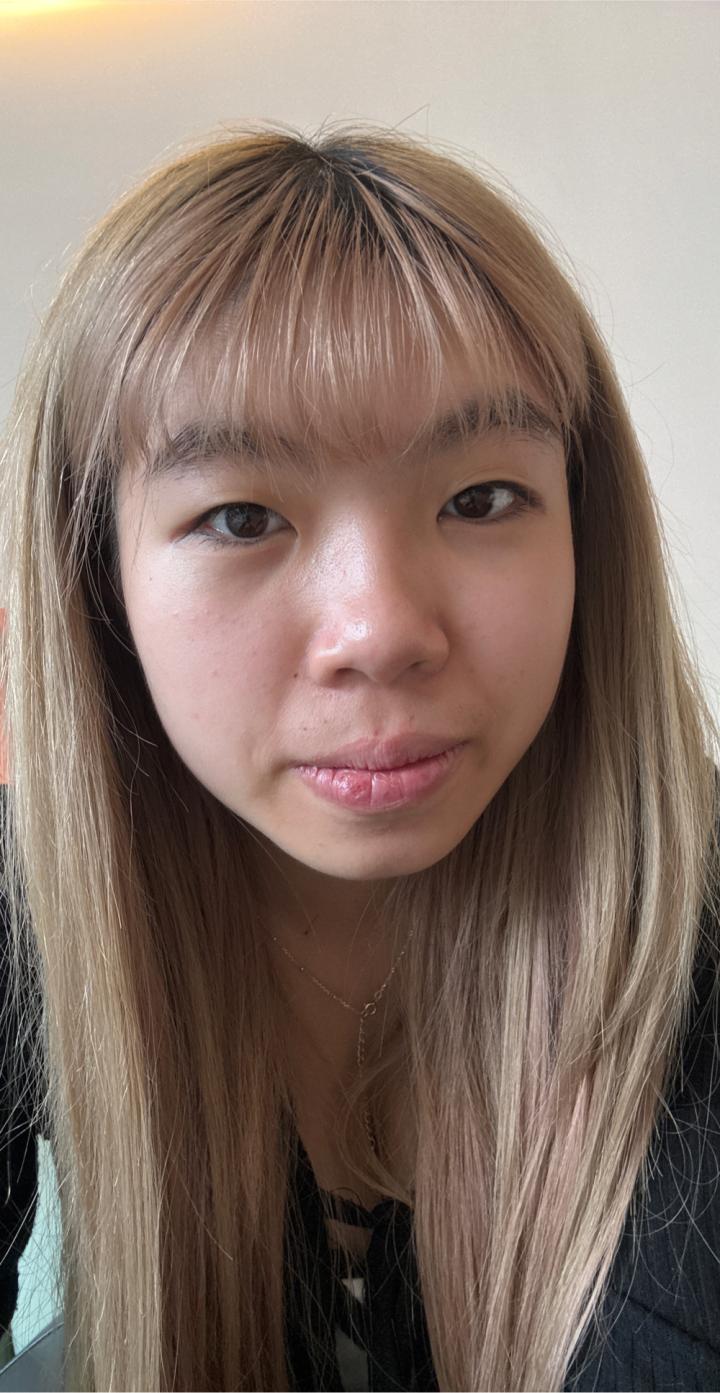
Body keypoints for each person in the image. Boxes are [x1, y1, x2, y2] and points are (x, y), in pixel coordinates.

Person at [0, 120, 718, 1393]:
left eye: (480, 499)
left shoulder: (691, 925)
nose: (381, 630)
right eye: (241, 516)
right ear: (98, 581)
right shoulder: (24, 908)